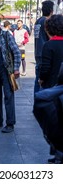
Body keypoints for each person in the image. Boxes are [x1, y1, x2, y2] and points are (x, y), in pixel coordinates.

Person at [38, 14, 63, 164]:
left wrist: (41, 80)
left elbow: (44, 69)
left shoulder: (49, 45)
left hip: (53, 88)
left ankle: (57, 154)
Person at [34, 0, 54, 93]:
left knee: (37, 79)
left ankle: (37, 100)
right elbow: (51, 37)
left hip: (38, 52)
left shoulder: (38, 21)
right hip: (44, 53)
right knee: (42, 80)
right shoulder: (46, 21)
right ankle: (40, 100)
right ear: (51, 10)